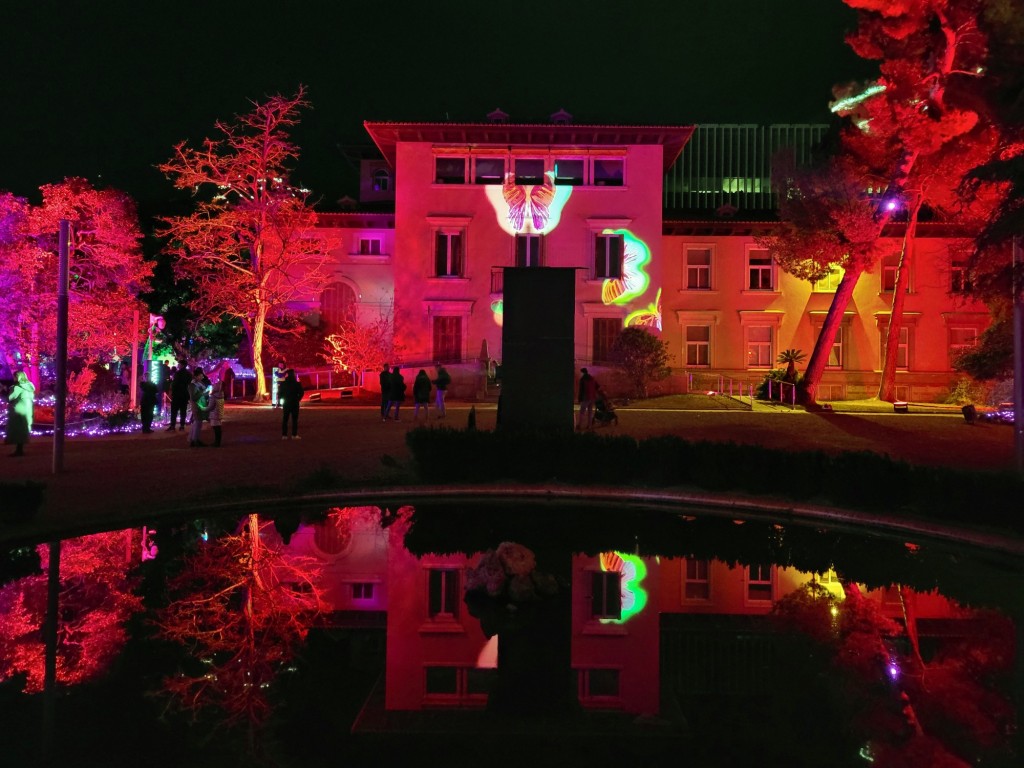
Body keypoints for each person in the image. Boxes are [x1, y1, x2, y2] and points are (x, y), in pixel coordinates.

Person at [5, 371, 35, 457]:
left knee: (17, 430)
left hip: (17, 410)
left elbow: (10, 397)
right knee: (23, 429)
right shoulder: (29, 386)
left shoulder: (17, 387)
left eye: (14, 377)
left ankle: (18, 450)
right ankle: (20, 448)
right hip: (26, 410)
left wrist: (5, 391)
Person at [187, 367, 211, 447]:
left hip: (201, 405)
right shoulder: (192, 385)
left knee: (197, 423)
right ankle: (195, 440)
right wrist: (203, 392)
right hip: (197, 406)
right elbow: (193, 397)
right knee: (198, 423)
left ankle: (193, 439)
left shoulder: (199, 384)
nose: (202, 377)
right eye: (201, 376)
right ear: (196, 376)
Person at [279, 368, 304, 439]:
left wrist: (282, 399)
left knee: (285, 419)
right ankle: (294, 434)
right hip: (295, 403)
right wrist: (298, 399)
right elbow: (301, 392)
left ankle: (284, 435)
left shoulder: (283, 384)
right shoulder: (297, 383)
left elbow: (280, 393)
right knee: (294, 420)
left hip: (286, 403)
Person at [168, 360, 191, 431]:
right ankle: (182, 426)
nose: (178, 365)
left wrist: (172, 390)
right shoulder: (188, 374)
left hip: (177, 394)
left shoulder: (178, 373)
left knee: (174, 411)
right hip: (185, 395)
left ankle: (172, 426)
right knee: (183, 411)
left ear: (182, 365)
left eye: (179, 364)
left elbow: (175, 384)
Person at [208, 378, 225, 447]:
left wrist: (205, 409)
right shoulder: (221, 394)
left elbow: (211, 406)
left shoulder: (214, 396)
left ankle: (216, 442)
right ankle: (218, 441)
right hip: (219, 412)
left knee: (215, 428)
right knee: (218, 427)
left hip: (214, 413)